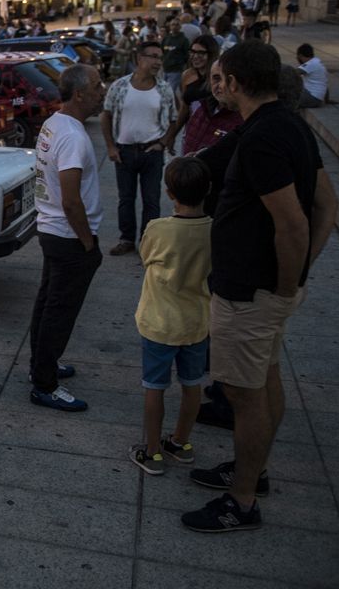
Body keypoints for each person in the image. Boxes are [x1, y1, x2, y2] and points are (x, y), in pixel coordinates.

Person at [181, 41, 338, 533]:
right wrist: (296, 278)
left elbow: (293, 223)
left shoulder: (262, 140)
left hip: (252, 292)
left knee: (243, 394)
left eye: (221, 76)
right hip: (265, 290)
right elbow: (327, 207)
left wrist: (283, 287)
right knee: (264, 381)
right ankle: (254, 471)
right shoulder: (288, 123)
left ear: (239, 82)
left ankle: (242, 501)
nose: (216, 83)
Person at [28, 64, 106, 412]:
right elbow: (71, 199)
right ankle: (45, 384)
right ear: (79, 94)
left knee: (48, 305)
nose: (102, 90)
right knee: (59, 312)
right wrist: (87, 242)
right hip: (68, 235)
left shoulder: (55, 122)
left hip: (51, 229)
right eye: (97, 85)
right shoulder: (73, 136)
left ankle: (44, 364)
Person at [128, 156, 212, 476]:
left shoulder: (158, 228)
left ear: (168, 193)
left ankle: (152, 453)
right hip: (196, 322)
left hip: (159, 323)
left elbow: (146, 256)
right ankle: (180, 441)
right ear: (209, 189)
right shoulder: (213, 229)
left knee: (155, 387)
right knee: (192, 385)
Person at [101, 40, 178, 255]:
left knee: (151, 200)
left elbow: (173, 120)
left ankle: (148, 241)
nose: (157, 62)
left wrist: (162, 143)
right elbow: (105, 116)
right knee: (126, 199)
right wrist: (110, 147)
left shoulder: (164, 89)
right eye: (153, 56)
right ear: (139, 59)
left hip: (151, 153)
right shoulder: (119, 86)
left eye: (160, 58)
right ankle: (126, 239)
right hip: (124, 152)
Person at [161, 18, 191, 92]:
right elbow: (162, 52)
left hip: (176, 70)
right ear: (170, 26)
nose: (174, 26)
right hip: (165, 69)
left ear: (180, 27)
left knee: (170, 91)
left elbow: (187, 55)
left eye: (177, 25)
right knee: (163, 90)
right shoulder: (166, 39)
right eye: (173, 24)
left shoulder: (184, 40)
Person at [295, 43, 328, 108]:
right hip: (316, 98)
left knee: (285, 95)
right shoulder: (317, 62)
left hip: (311, 98)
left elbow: (292, 73)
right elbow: (324, 84)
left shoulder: (310, 64)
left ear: (300, 56)